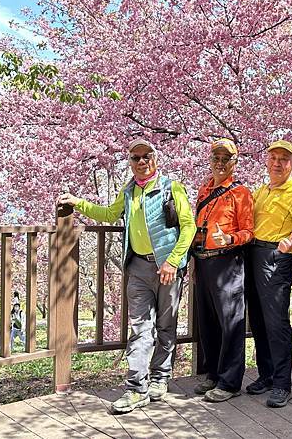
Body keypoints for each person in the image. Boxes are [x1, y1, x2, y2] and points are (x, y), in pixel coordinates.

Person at [57, 138, 196, 413]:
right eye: (135, 158)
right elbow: (109, 213)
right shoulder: (130, 190)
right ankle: (136, 388)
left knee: (166, 325)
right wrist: (78, 203)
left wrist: (172, 261)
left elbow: (188, 226)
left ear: (155, 158)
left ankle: (160, 377)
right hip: (138, 269)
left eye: (147, 156)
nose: (142, 162)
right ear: (130, 162)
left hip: (168, 268)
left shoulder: (172, 187)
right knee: (140, 327)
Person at [245, 139, 292, 408]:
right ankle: (267, 375)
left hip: (277, 257)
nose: (277, 163)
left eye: (284, 159)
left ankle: (283, 384)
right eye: (273, 158)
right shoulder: (259, 191)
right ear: (266, 161)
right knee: (259, 321)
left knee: (276, 323)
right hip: (253, 254)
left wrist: (291, 245)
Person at [191, 139, 254, 403]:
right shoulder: (204, 190)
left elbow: (249, 232)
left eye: (225, 159)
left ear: (235, 162)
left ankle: (230, 381)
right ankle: (213, 374)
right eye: (216, 158)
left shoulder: (241, 193)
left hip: (227, 261)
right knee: (207, 321)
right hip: (203, 260)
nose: (220, 163)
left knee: (230, 322)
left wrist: (230, 239)